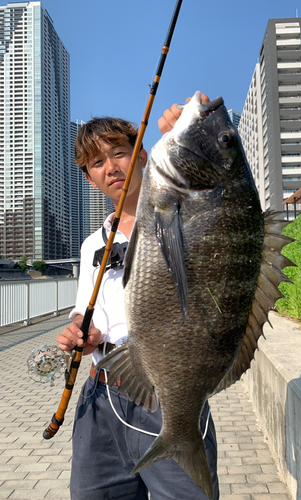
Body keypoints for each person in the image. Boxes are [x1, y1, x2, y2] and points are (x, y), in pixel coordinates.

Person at [56, 97, 220, 500]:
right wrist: (81, 330)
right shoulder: (92, 242)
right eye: (97, 163)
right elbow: (85, 308)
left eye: (119, 153)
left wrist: (191, 121)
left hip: (167, 395)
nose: (111, 167)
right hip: (97, 399)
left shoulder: (181, 217)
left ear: (143, 156)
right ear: (88, 177)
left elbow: (221, 190)